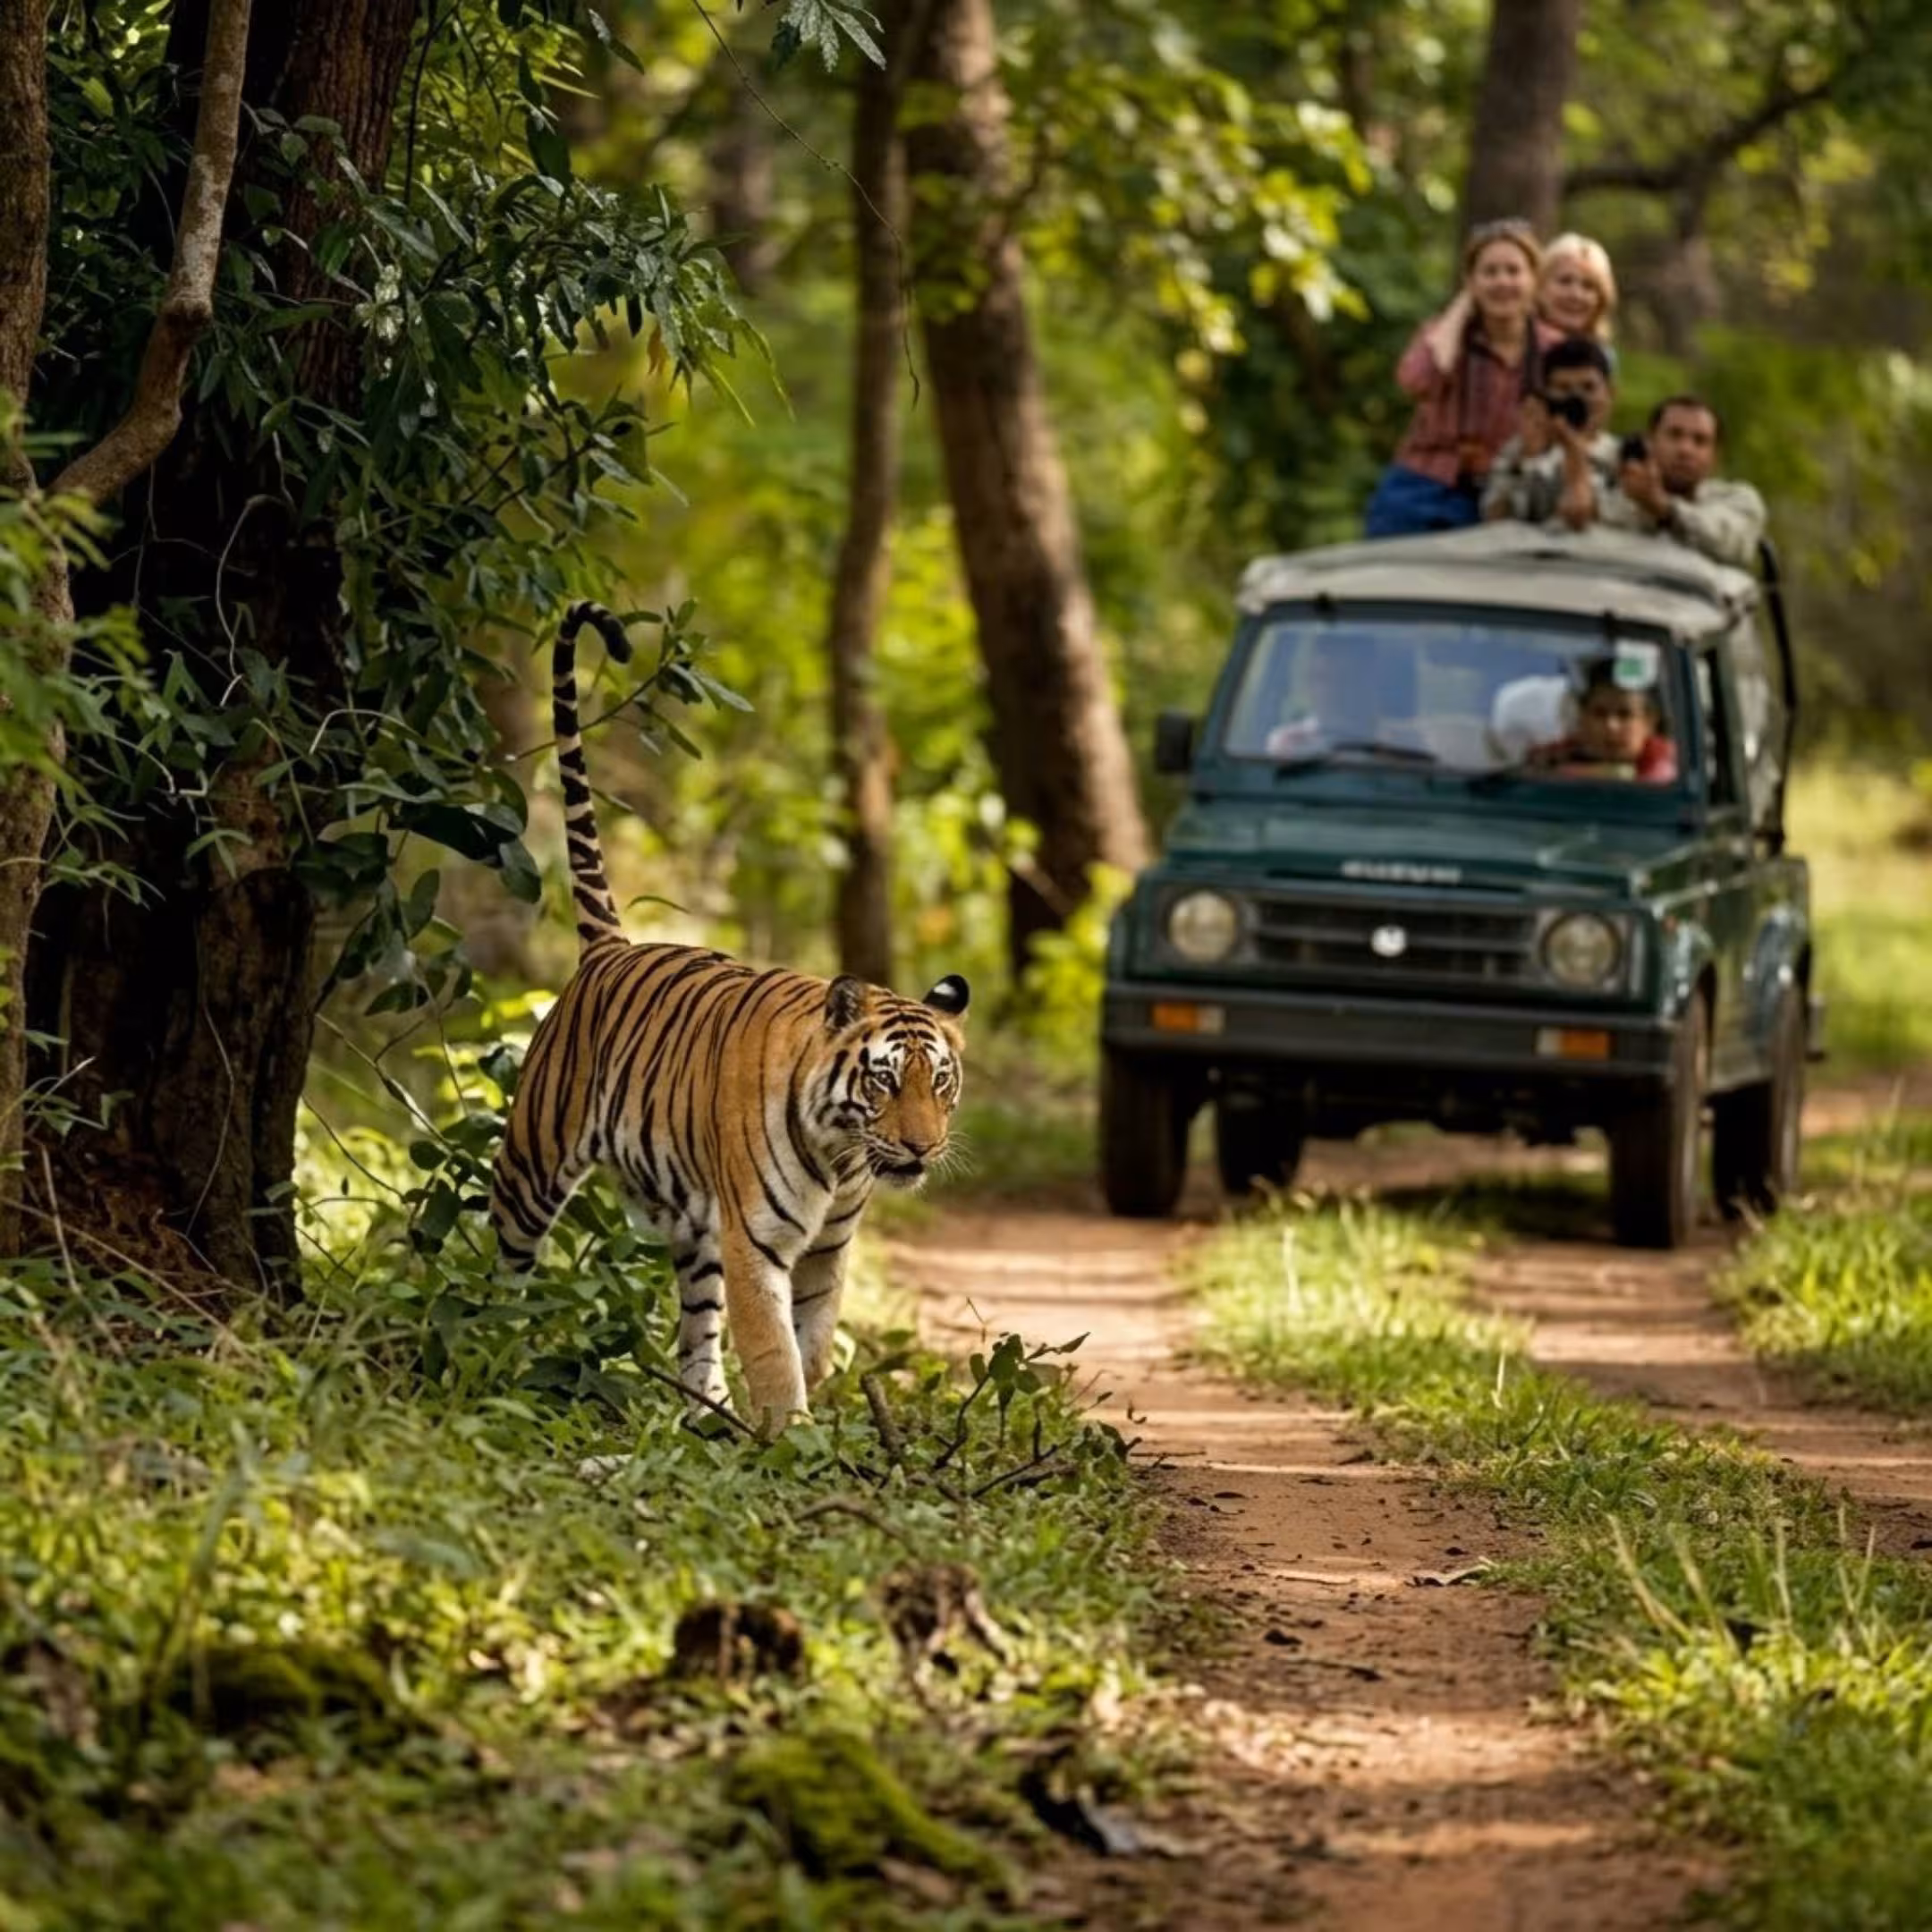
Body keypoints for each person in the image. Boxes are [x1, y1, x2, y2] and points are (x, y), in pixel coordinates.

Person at [1365, 220, 1564, 538]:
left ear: (1533, 280)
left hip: (1505, 491)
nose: (1502, 282)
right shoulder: (1446, 334)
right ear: (1471, 281)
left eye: (1513, 271)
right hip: (1424, 484)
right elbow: (1416, 381)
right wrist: (1461, 308)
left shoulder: (1554, 348)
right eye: (1489, 272)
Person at [1597, 395, 1766, 569]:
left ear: (1715, 456)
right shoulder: (1616, 497)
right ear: (1650, 442)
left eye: (1700, 441)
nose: (1685, 450)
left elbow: (1732, 541)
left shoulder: (1737, 500)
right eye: (1674, 435)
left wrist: (1665, 510)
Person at [1482, 335, 1619, 529]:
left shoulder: (1622, 457)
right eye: (1564, 388)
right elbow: (1493, 520)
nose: (1577, 398)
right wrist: (1529, 461)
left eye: (1588, 388)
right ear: (1546, 394)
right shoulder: (1517, 451)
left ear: (1610, 393)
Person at [1528, 655, 1678, 783]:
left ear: (1649, 722)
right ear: (1583, 718)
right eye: (1600, 713)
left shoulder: (1668, 773)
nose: (1611, 725)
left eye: (1625, 714)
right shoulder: (1553, 757)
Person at [1536, 233, 1617, 349]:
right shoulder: (1519, 350)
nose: (1576, 295)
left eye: (1588, 286)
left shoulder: (1602, 353)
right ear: (1540, 287)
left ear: (1601, 298)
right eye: (1565, 281)